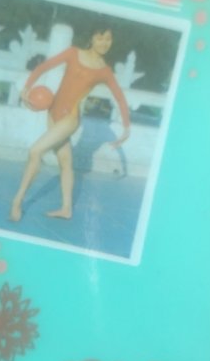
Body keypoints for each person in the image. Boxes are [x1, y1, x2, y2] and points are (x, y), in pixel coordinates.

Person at [10, 25, 131, 221]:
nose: (104, 43)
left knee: (35, 151)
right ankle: (66, 209)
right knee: (65, 162)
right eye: (100, 38)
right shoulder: (73, 53)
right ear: (92, 38)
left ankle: (17, 201)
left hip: (70, 118)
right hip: (52, 112)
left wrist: (126, 128)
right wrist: (27, 87)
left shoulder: (104, 71)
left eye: (108, 39)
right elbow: (43, 67)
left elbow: (119, 97)